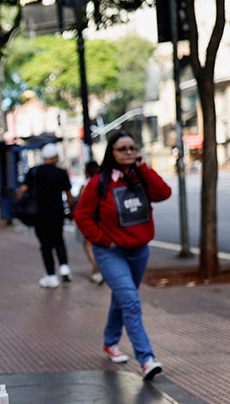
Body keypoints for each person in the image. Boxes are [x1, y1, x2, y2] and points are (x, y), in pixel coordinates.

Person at [74, 131, 171, 380]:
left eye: (132, 148)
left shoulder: (142, 176)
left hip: (140, 251)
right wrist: (105, 240)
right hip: (110, 253)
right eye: (122, 149)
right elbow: (82, 216)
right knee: (130, 300)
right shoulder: (99, 182)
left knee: (122, 297)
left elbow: (164, 193)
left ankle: (109, 342)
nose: (128, 152)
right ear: (112, 153)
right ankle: (147, 359)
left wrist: (144, 168)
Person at [17, 143, 75, 287]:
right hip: (57, 213)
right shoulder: (61, 173)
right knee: (59, 240)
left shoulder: (35, 172)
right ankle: (64, 268)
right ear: (55, 157)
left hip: (39, 214)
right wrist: (71, 210)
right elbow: (69, 197)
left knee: (45, 245)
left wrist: (18, 203)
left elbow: (23, 190)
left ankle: (51, 276)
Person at [80, 161, 104, 284]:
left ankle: (97, 270)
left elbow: (81, 206)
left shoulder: (87, 185)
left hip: (92, 220)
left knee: (88, 245)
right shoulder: (104, 182)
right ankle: (98, 270)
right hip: (103, 220)